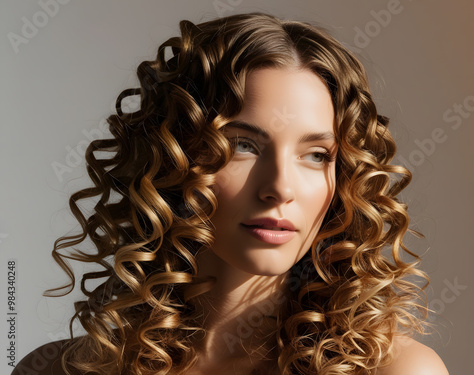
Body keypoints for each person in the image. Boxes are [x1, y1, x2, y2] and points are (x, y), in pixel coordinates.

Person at [12, 12, 449, 375]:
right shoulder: (56, 369)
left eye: (315, 155)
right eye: (243, 146)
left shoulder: (394, 369)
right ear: (174, 158)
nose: (279, 187)